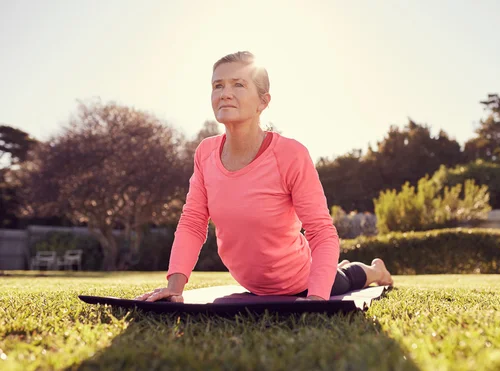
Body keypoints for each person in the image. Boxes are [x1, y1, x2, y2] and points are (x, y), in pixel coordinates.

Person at [135, 51, 393, 303]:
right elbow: (193, 221)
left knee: (345, 278)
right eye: (218, 85)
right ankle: (344, 267)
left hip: (300, 279)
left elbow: (321, 231)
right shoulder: (205, 153)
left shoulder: (290, 154)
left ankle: (376, 271)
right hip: (253, 285)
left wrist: (316, 298)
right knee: (337, 270)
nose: (225, 93)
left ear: (263, 102)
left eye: (238, 84)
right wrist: (174, 288)